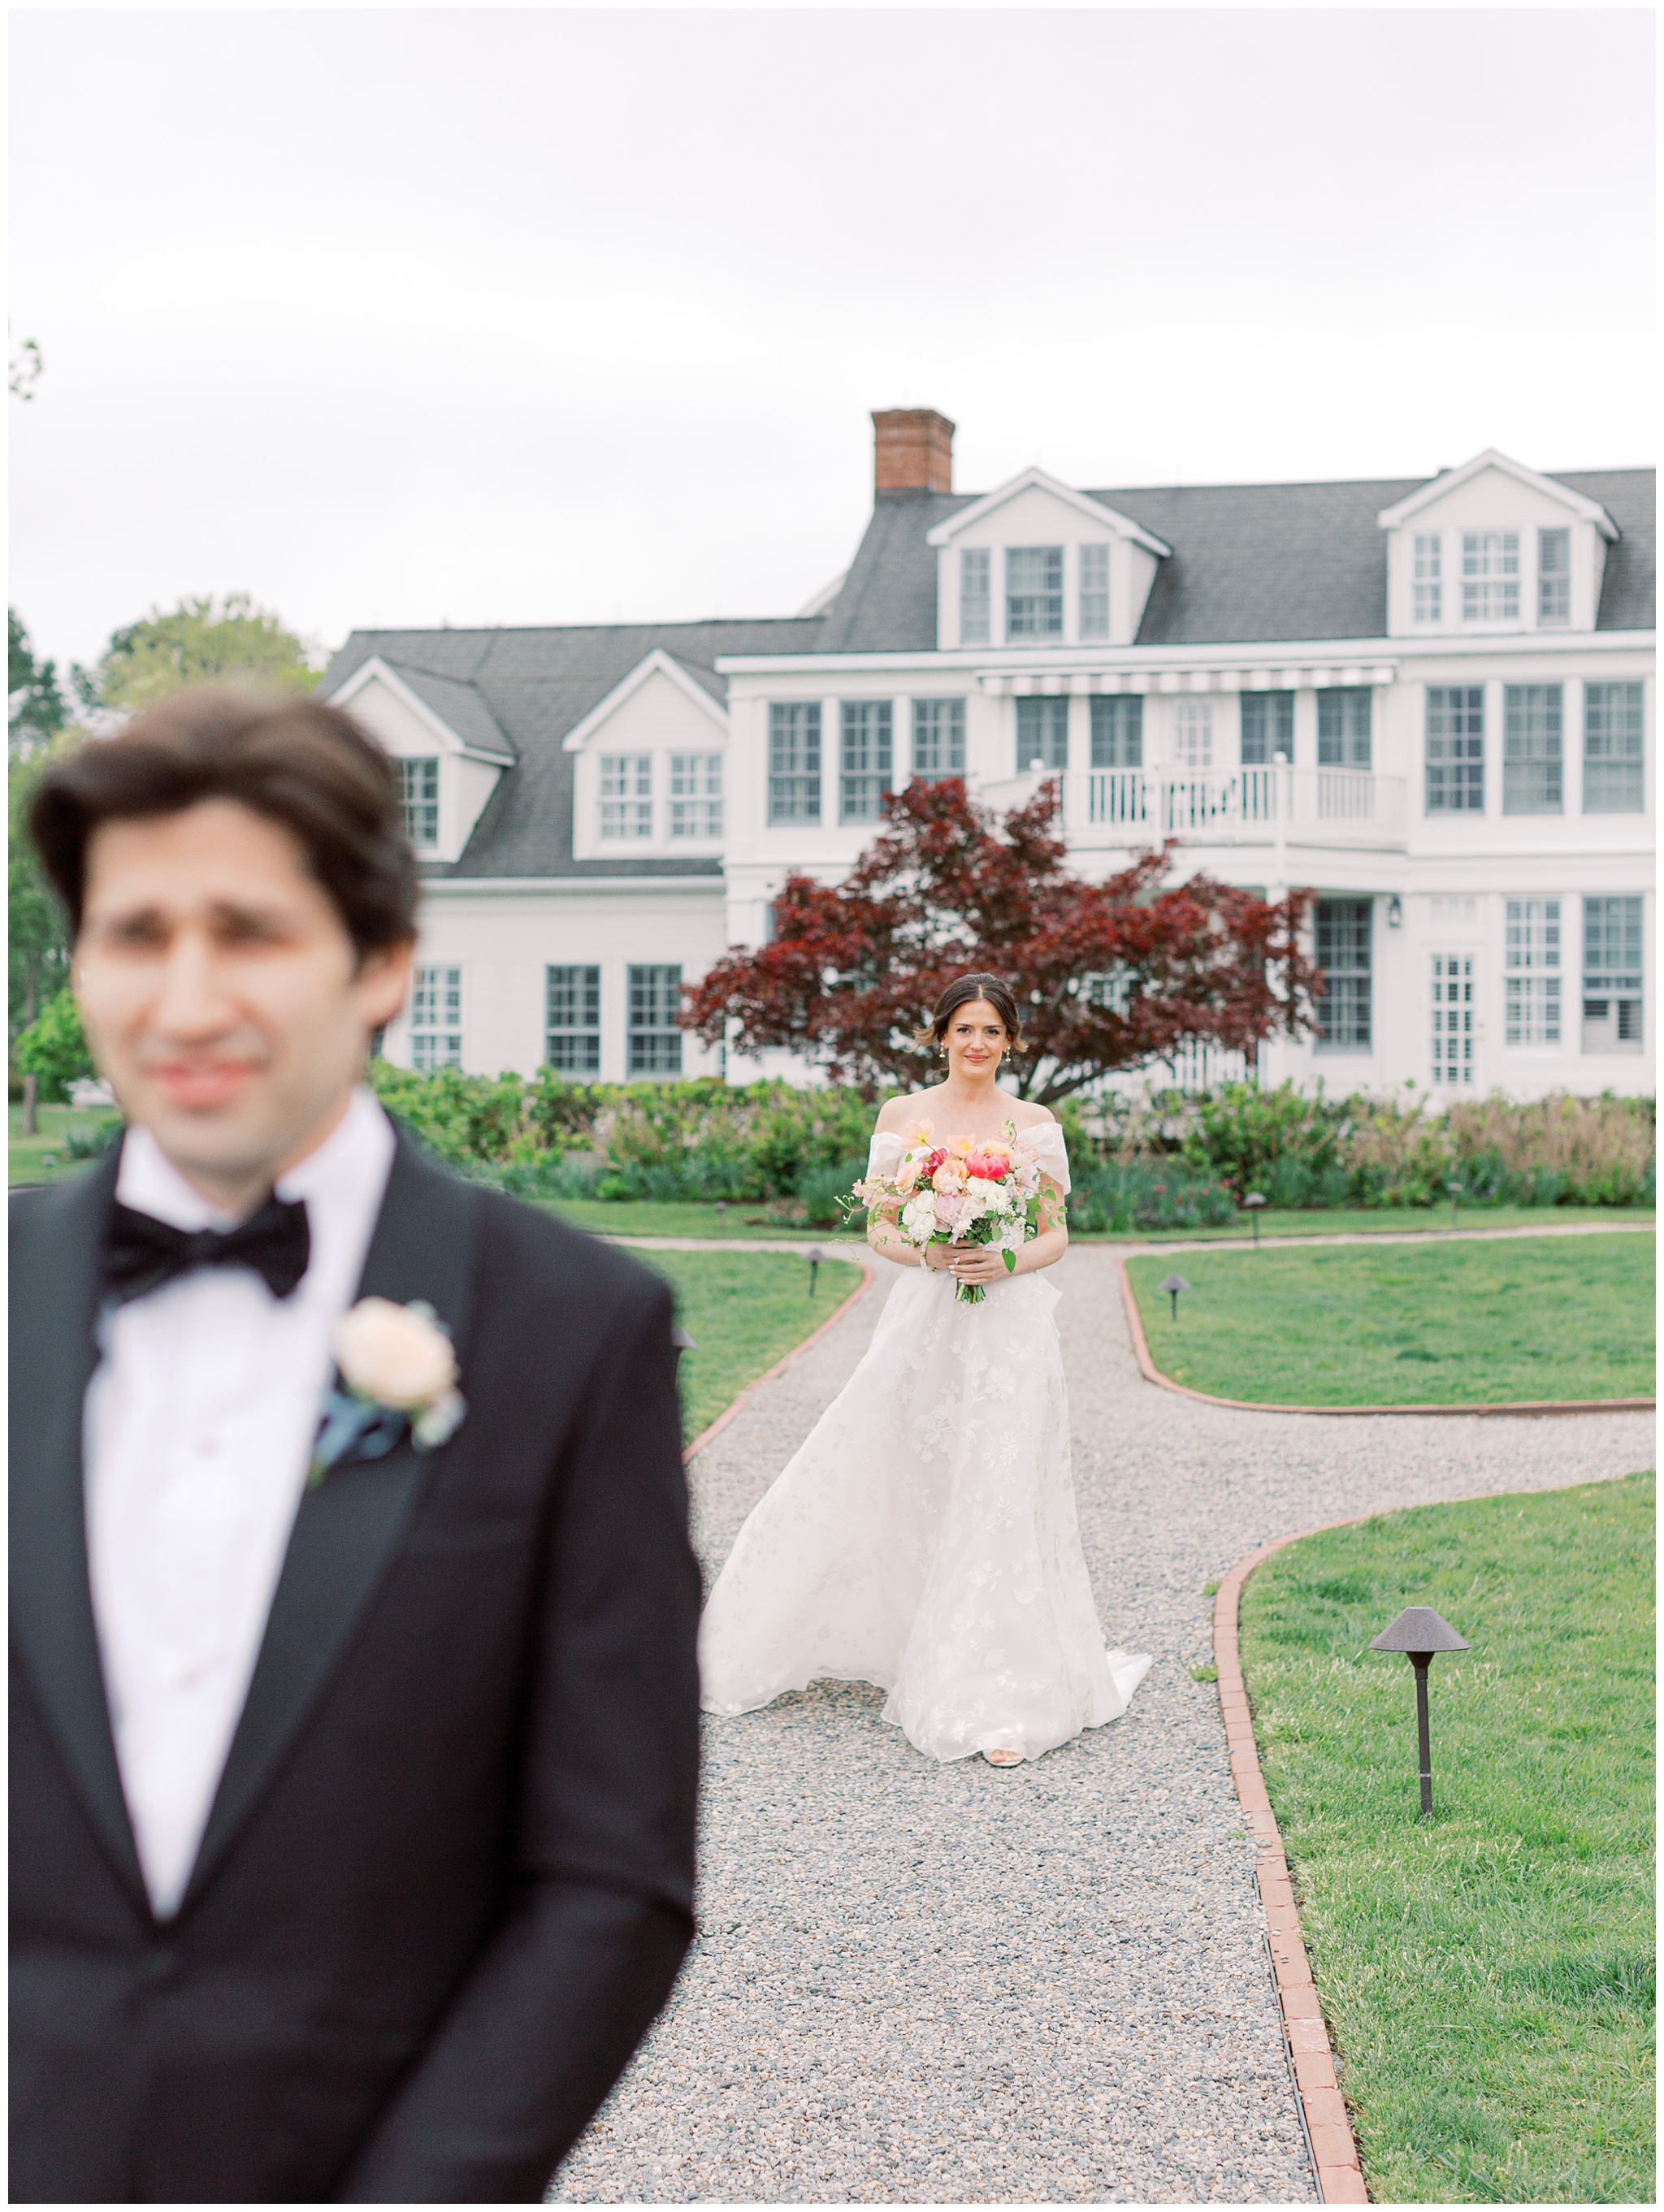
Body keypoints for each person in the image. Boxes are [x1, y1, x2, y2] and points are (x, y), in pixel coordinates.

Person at [10, 688, 701, 2203]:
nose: (186, 999)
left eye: (249, 932)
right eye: (136, 934)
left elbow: (610, 1878)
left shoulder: (572, 1329)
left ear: (381, 958)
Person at [699, 972, 1149, 1768]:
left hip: (1010, 1331)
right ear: (940, 1035)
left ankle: (1000, 1697)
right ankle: (904, 1637)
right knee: (905, 1473)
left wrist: (1004, 1258)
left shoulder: (1032, 1123)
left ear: (1011, 1042)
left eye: (991, 1030)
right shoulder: (902, 1116)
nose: (976, 1043)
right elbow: (879, 1230)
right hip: (924, 1324)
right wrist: (929, 1250)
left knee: (1000, 1488)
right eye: (963, 1028)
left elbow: (1055, 1233)